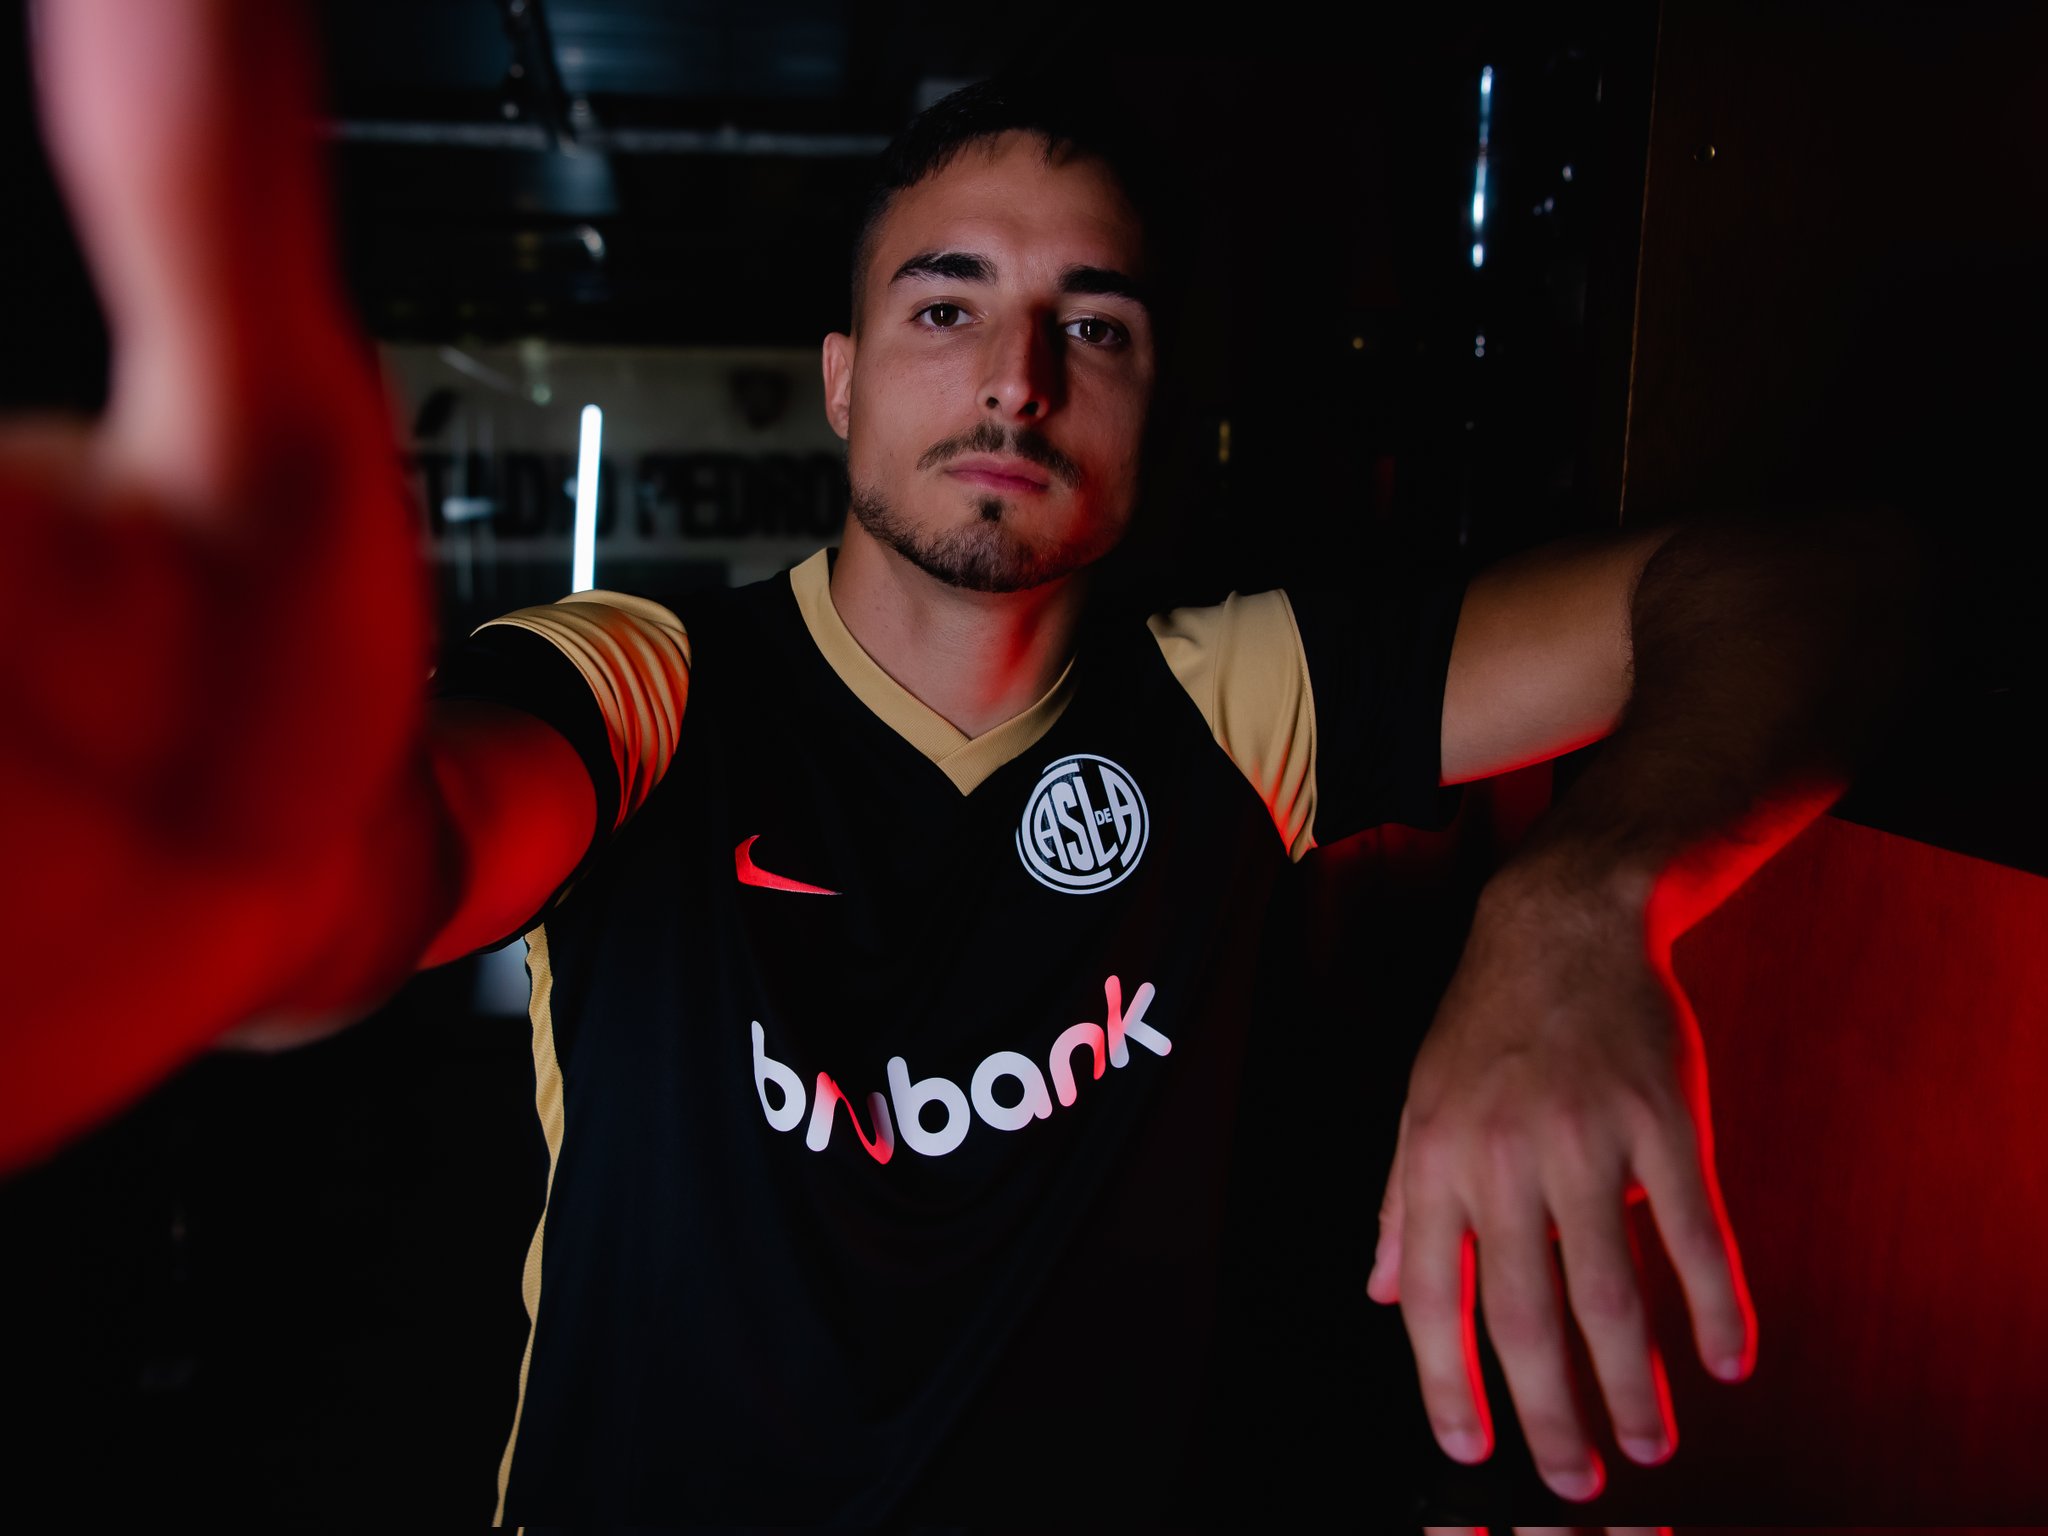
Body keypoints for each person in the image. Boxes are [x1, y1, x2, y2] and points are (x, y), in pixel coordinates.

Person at [3, 2, 1915, 1525]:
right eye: (948, 306)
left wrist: (1582, 896)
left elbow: (1815, 583)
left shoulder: (1231, 702)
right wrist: (237, 858)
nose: (1017, 375)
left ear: (1156, 408)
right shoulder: (656, 681)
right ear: (842, 381)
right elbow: (402, 861)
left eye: (1094, 324)